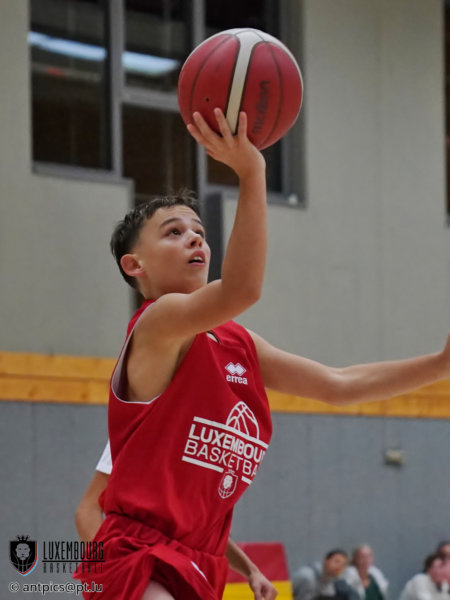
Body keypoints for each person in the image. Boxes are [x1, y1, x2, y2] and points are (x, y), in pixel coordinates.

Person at [73, 107, 450, 600]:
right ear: (134, 265)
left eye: (198, 230)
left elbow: (339, 385)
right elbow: (242, 288)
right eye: (173, 232)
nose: (195, 237)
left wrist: (440, 365)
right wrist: (252, 174)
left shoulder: (238, 344)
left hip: (201, 560)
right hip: (137, 554)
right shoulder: (155, 324)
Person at [74, 443, 278, 600]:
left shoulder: (208, 440)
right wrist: (115, 567)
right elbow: (87, 510)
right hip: (140, 567)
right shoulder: (141, 423)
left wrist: (251, 571)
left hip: (189, 574)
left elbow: (196, 531)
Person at [292, 549, 358, 600]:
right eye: (336, 561)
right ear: (325, 560)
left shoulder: (331, 583)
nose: (339, 567)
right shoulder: (306, 576)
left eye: (343, 565)